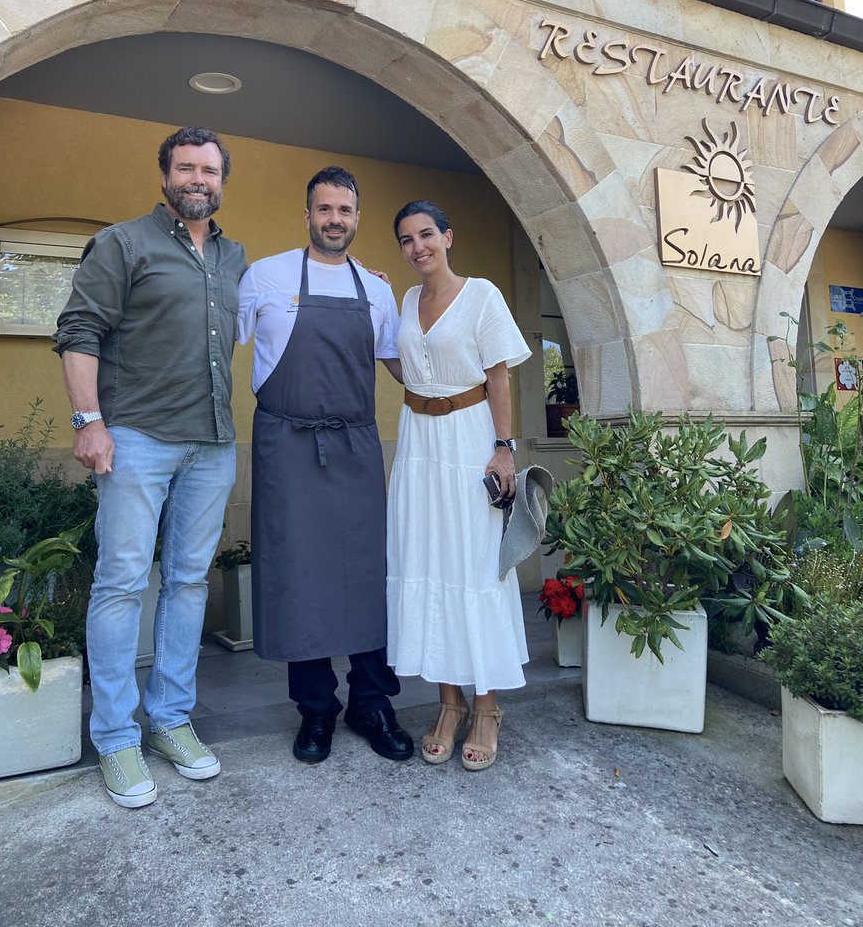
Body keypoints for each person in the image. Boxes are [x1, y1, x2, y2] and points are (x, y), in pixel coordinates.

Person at [53, 126, 246, 809]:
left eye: (210, 170)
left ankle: (169, 719)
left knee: (189, 581)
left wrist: (354, 282)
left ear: (223, 180)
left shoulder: (233, 255)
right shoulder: (123, 243)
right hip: (135, 438)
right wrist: (89, 421)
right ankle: (113, 735)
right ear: (165, 174)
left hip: (213, 444)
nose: (199, 179)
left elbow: (270, 314)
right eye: (187, 168)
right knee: (122, 583)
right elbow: (79, 331)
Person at [238, 166, 413, 764]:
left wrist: (461, 410)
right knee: (298, 577)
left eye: (344, 210)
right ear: (306, 214)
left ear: (357, 218)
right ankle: (315, 709)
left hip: (355, 443)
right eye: (323, 209)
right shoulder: (264, 276)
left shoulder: (379, 289)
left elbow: (400, 364)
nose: (333, 219)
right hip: (286, 444)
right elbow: (219, 345)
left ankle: (372, 701)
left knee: (368, 574)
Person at [386, 200, 531, 770]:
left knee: (473, 568)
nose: (417, 246)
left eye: (426, 235)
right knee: (427, 562)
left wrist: (504, 447)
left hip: (470, 440)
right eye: (406, 240)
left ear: (447, 236)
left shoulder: (482, 294)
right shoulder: (405, 300)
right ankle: (447, 703)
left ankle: (486, 705)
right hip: (418, 445)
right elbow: (410, 365)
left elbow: (499, 375)